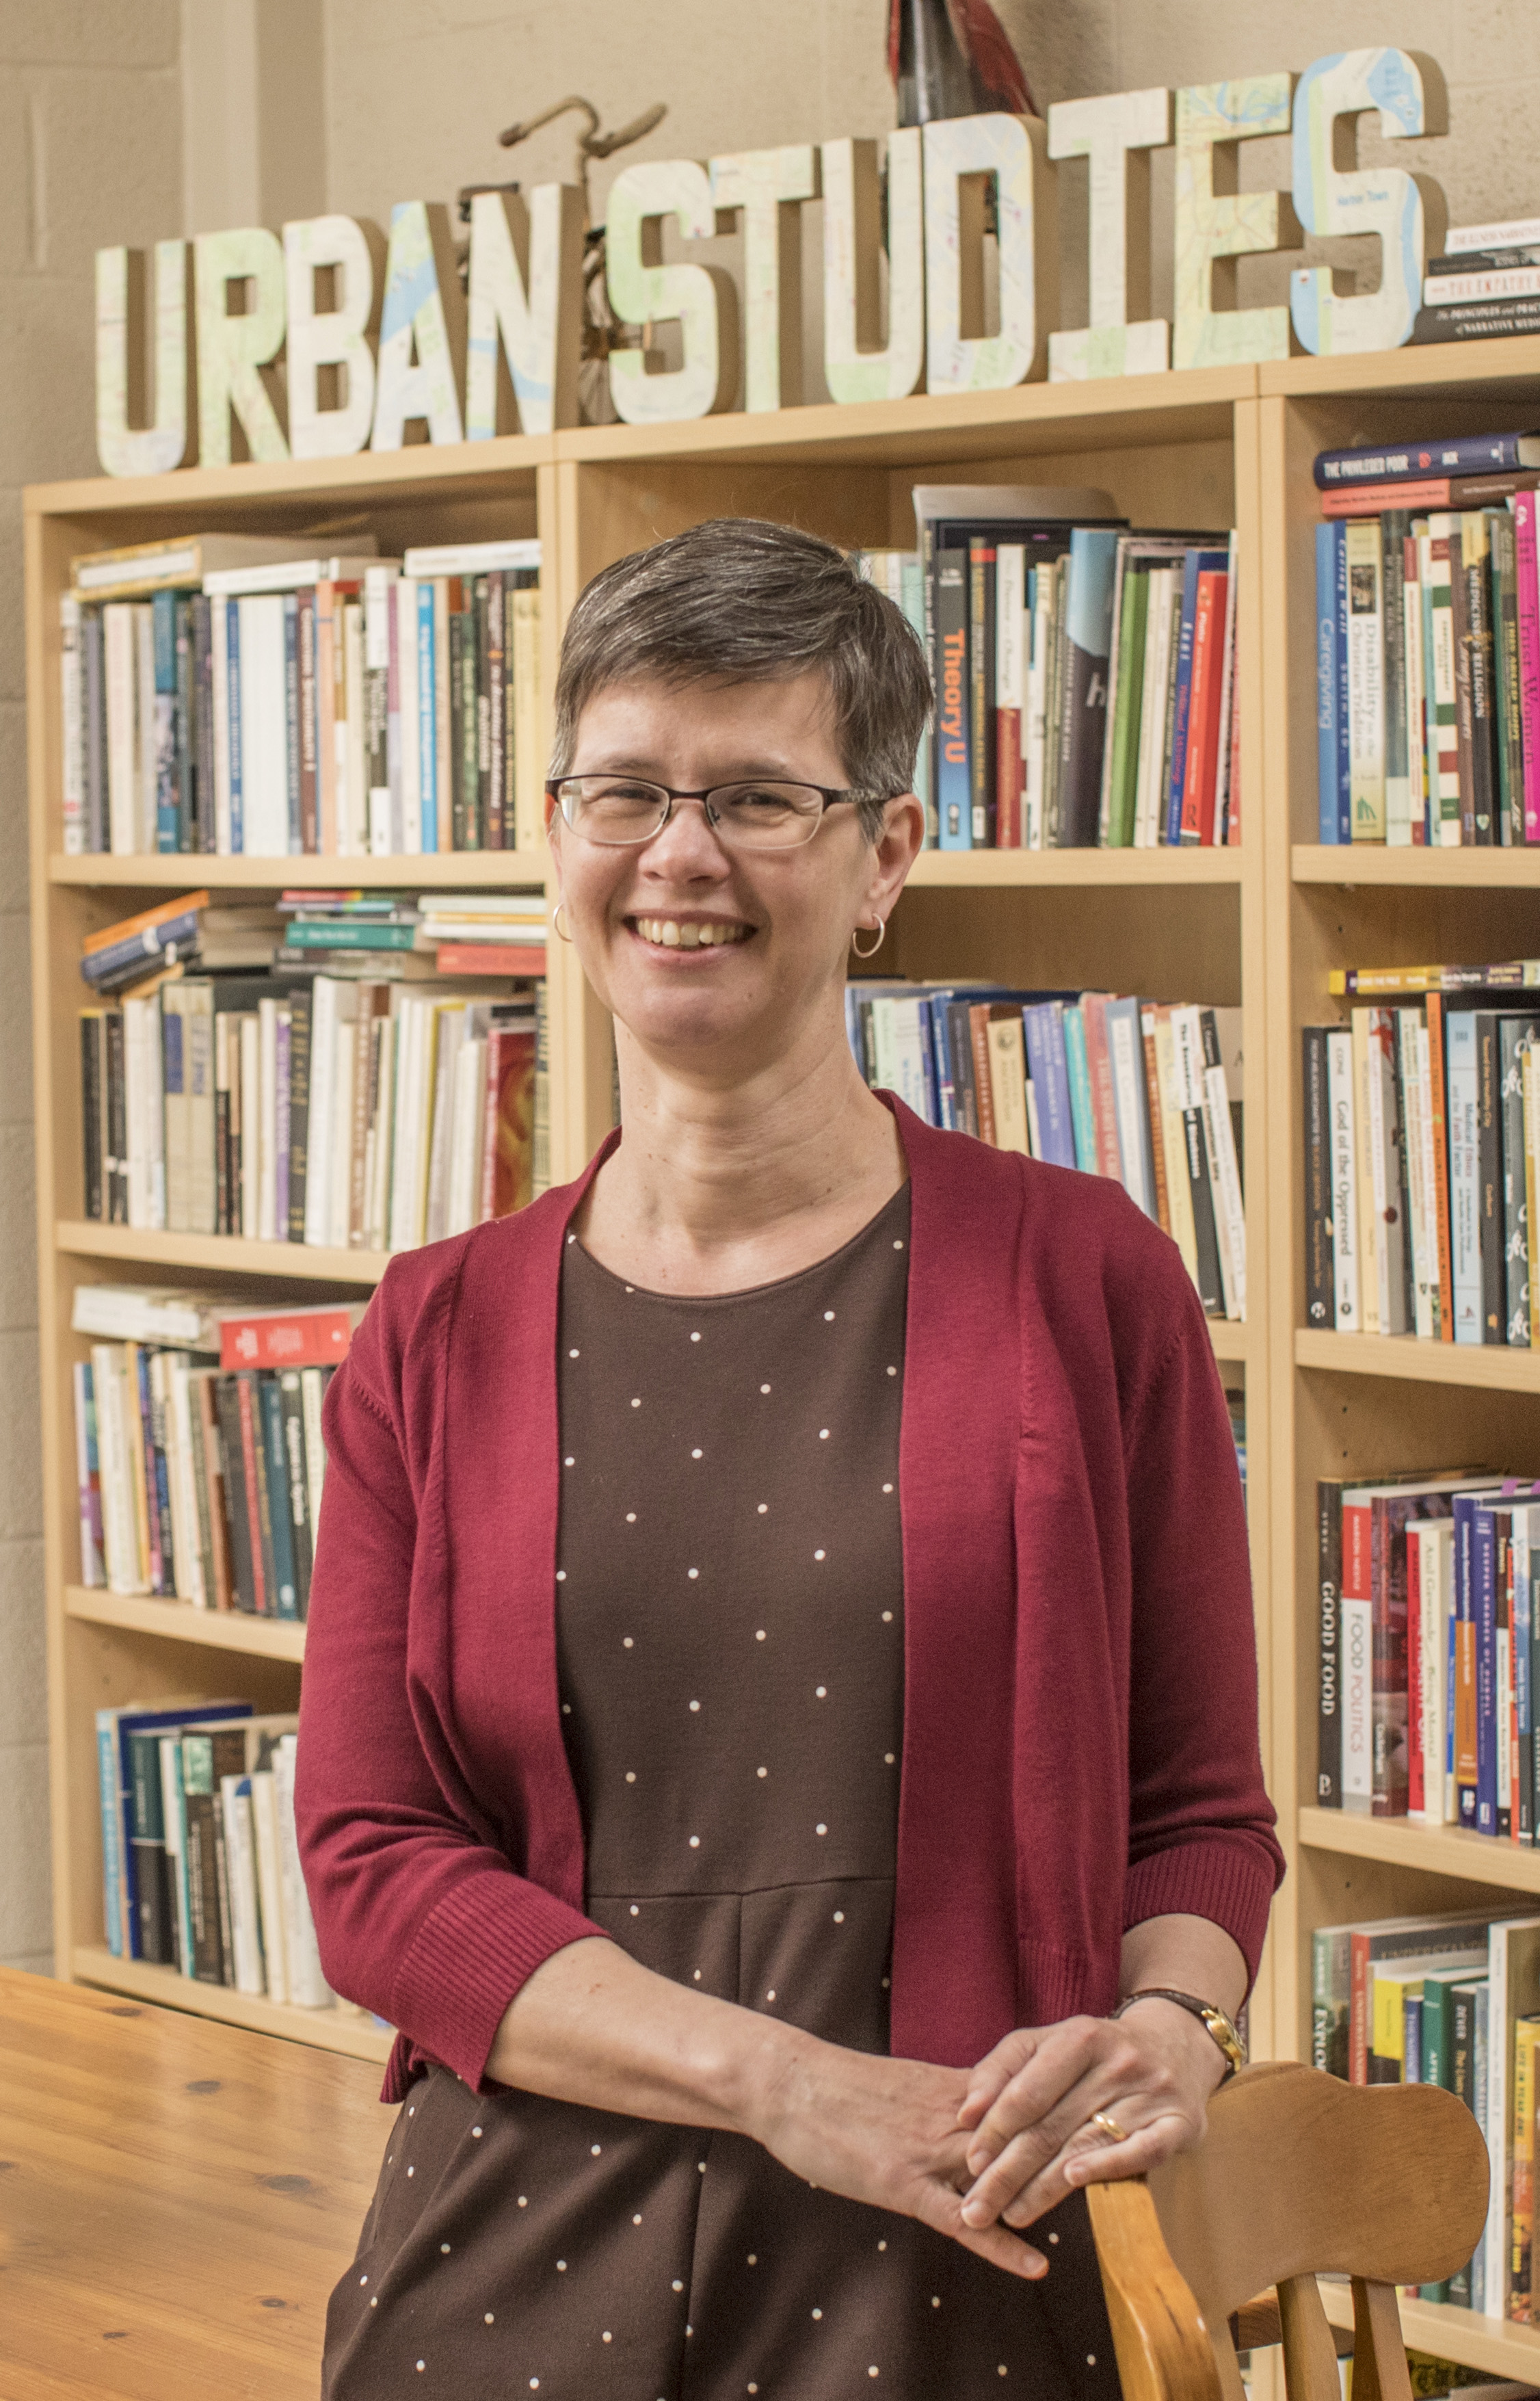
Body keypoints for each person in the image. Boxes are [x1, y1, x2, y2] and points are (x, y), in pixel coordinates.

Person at [296, 516, 1283, 2400]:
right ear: (560, 832)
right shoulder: (431, 1331)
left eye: (757, 795)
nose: (680, 856)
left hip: (966, 2274)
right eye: (627, 792)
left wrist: (1177, 2023)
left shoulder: (1088, 1278)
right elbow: (370, 1864)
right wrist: (790, 2090)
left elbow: (1198, 1809)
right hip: (507, 2281)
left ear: (883, 857)